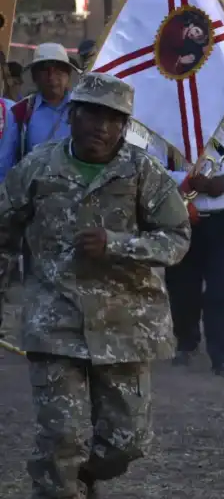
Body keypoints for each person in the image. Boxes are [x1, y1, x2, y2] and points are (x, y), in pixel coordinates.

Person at [0, 72, 191, 498]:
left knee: (127, 443)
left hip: (126, 325)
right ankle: (59, 486)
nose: (101, 127)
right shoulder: (36, 168)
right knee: (60, 439)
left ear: (125, 125)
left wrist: (120, 245)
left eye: (113, 118)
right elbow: (2, 234)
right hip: (56, 323)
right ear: (72, 115)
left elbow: (177, 238)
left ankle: (84, 477)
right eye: (92, 114)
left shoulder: (143, 171)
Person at [154, 114, 224, 377]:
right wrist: (185, 180)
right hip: (182, 216)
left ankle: (222, 352)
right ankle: (186, 342)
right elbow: (152, 167)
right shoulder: (165, 126)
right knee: (182, 285)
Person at [0, 43, 81, 181]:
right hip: (32, 194)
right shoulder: (20, 111)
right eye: (44, 70)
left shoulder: (83, 110)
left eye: (58, 70)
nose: (51, 77)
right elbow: (7, 162)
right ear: (34, 76)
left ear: (68, 74)